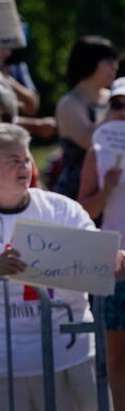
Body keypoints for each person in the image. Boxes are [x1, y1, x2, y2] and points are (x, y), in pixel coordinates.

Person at [0, 124, 103, 410]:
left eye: (26, 159)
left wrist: (115, 260)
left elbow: (99, 256)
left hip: (66, 358)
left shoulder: (62, 209)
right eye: (13, 161)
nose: (24, 166)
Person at [78, 76, 125, 410]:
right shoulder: (97, 152)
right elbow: (84, 210)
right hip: (115, 263)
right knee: (116, 355)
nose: (123, 112)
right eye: (117, 104)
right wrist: (107, 187)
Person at [55, 36, 119, 198]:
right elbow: (89, 140)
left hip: (113, 186)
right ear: (90, 63)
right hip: (77, 189)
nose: (115, 68)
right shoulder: (69, 104)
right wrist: (113, 110)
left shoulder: (112, 97)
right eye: (108, 62)